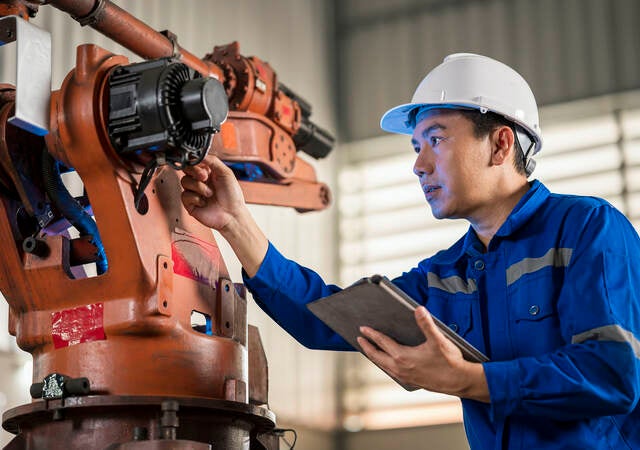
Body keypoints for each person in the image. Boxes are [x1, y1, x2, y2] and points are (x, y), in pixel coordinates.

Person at [181, 53, 640, 449]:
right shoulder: (448, 274)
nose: (418, 165)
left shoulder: (587, 229)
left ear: (500, 144)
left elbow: (611, 373)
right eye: (416, 146)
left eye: (436, 140)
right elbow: (323, 315)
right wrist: (235, 223)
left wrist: (468, 380)